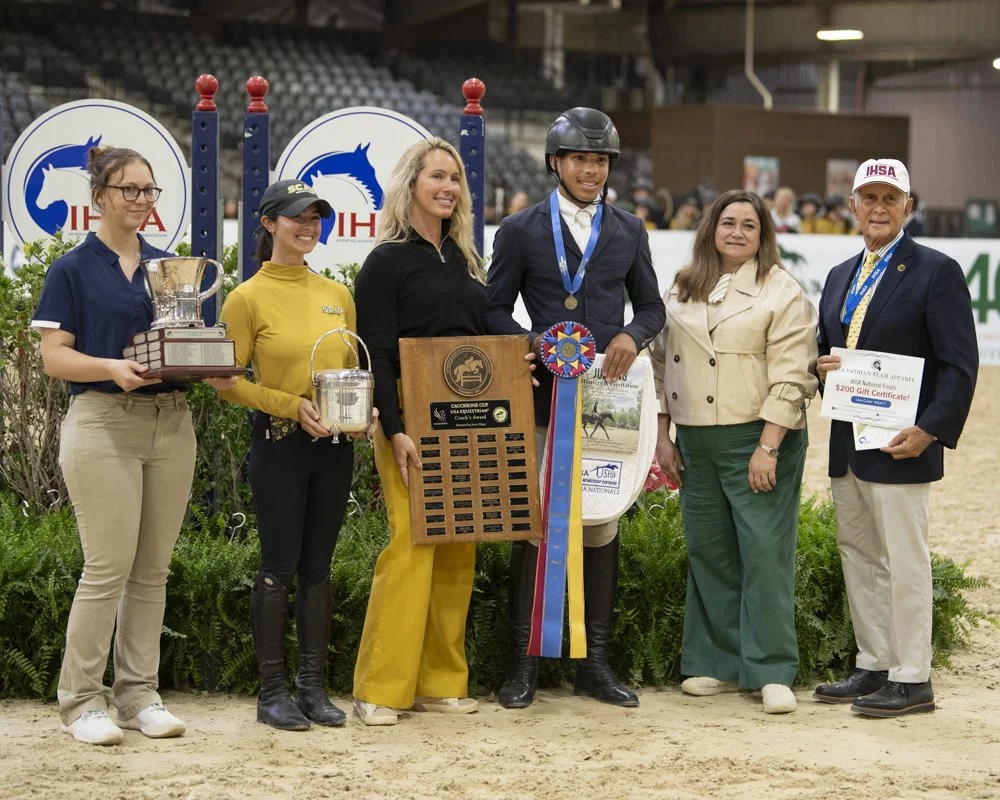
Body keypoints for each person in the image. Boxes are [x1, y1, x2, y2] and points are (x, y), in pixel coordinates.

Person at [32, 145, 237, 746]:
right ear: (99, 196)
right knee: (107, 566)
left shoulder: (169, 268)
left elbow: (185, 342)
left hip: (171, 422)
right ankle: (80, 701)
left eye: (149, 191)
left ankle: (138, 695)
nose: (142, 201)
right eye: (130, 190)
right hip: (101, 419)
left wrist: (213, 369)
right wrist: (110, 367)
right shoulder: (72, 269)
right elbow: (54, 357)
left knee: (152, 571)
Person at [486, 107, 666, 709]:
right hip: (542, 400)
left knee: (600, 525)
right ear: (556, 163)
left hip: (606, 401)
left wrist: (629, 337)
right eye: (580, 159)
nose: (590, 170)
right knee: (537, 526)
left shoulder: (630, 229)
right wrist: (535, 344)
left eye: (600, 160)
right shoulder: (519, 229)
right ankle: (523, 664)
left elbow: (652, 308)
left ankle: (595, 663)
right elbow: (492, 311)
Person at [813, 159, 978, 717]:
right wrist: (824, 372)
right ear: (853, 206)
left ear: (909, 207)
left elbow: (959, 364)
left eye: (890, 198)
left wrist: (931, 429)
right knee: (859, 554)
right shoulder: (838, 275)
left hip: (904, 441)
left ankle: (913, 676)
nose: (878, 208)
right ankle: (874, 661)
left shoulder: (936, 270)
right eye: (869, 198)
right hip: (847, 440)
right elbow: (829, 346)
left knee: (905, 559)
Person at [352, 137, 505, 726]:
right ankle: (380, 688)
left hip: (465, 427)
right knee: (412, 549)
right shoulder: (386, 261)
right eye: (437, 176)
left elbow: (481, 338)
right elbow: (379, 356)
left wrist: (522, 353)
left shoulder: (467, 260)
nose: (448, 187)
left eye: (456, 179)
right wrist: (394, 429)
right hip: (408, 429)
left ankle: (442, 680)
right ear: (411, 183)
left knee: (458, 548)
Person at [650, 189, 818, 715]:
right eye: (729, 222)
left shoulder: (781, 290)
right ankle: (716, 661)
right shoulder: (681, 287)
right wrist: (662, 433)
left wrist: (769, 446)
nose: (738, 232)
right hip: (694, 439)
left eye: (750, 224)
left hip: (758, 439)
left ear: (763, 234)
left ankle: (770, 668)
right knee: (710, 551)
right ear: (711, 229)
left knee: (765, 553)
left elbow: (793, 375)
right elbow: (660, 365)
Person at [218, 179, 367, 731]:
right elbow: (225, 382)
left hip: (332, 445)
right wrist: (288, 404)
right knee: (278, 567)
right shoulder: (246, 298)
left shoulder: (336, 293)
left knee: (318, 569)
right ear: (268, 223)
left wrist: (361, 414)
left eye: (316, 218)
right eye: (296, 217)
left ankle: (311, 686)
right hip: (280, 442)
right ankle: (272, 691)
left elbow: (351, 368)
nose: (308, 227)